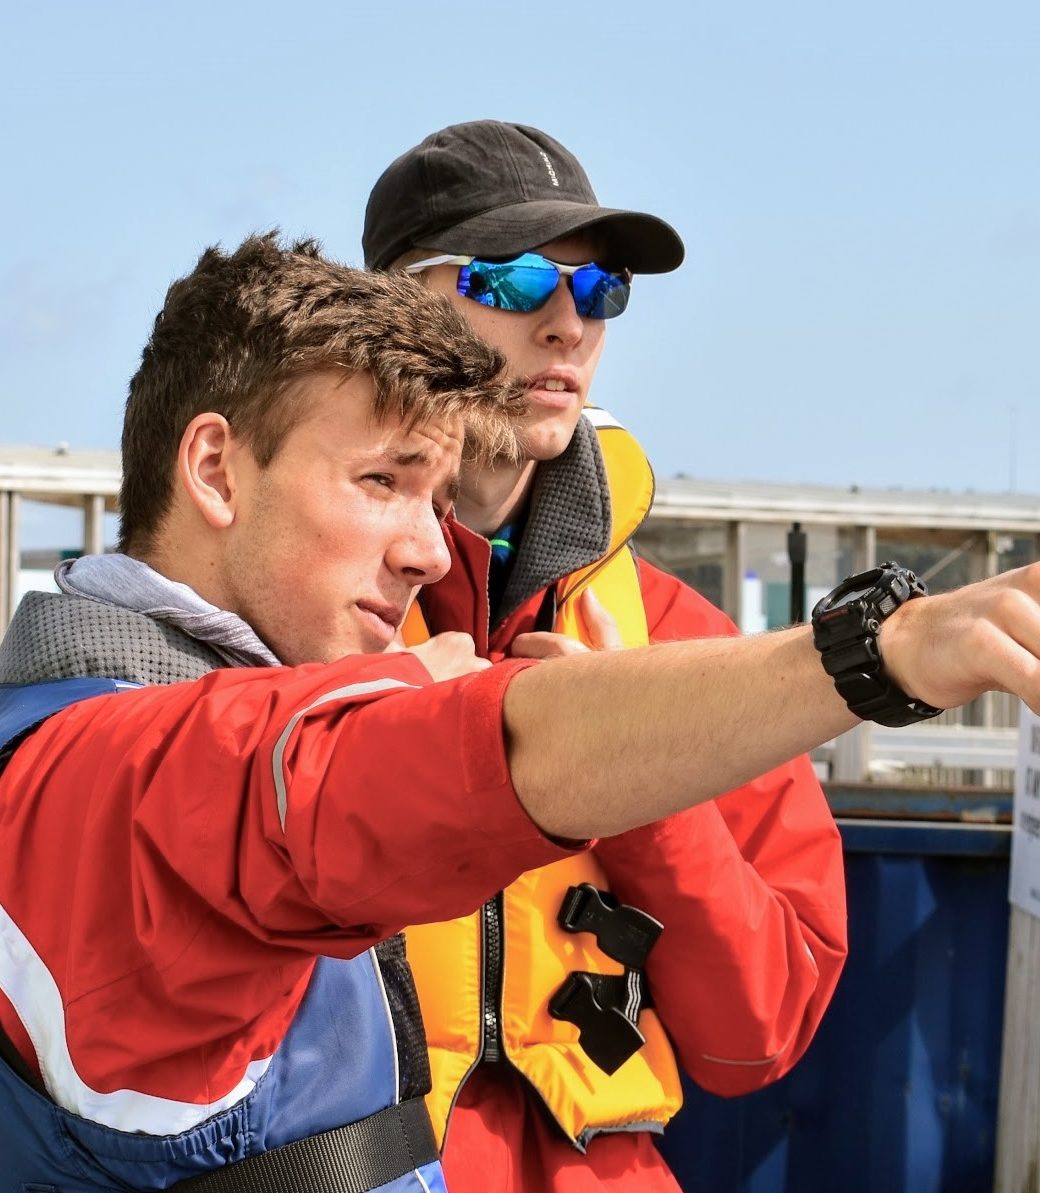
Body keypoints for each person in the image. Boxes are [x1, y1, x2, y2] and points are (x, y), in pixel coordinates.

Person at [1, 235, 1038, 1193]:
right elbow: (382, 769)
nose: (425, 550)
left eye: (436, 498)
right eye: (380, 480)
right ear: (214, 469)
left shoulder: (124, 711)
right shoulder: (115, 767)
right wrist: (877, 651)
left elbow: (757, 1023)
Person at [361, 120, 848, 1192]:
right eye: (514, 277)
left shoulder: (682, 638)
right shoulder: (289, 619)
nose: (566, 323)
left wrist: (631, 765)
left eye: (599, 289)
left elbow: (756, 1033)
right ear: (390, 306)